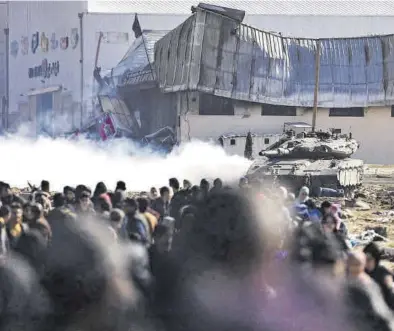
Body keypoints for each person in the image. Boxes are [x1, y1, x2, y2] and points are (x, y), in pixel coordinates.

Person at [364, 242, 394, 310]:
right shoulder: (360, 271)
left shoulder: (383, 273)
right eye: (364, 258)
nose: (365, 262)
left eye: (368, 259)